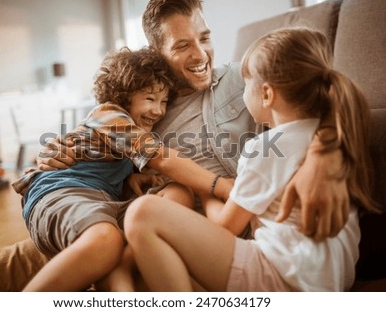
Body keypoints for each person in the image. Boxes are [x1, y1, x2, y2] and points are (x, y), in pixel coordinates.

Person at [0, 0, 348, 291]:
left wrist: (324, 157)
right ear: (157, 51)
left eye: (204, 37)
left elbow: (329, 91)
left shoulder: (247, 77)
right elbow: (106, 139)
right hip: (126, 217)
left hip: (220, 235)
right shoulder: (144, 109)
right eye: (183, 45)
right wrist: (63, 151)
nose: (201, 54)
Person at [123, 27, 381, 292]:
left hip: (282, 276)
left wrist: (205, 190)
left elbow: (225, 227)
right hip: (330, 280)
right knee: (154, 272)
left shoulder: (266, 147)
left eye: (246, 85)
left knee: (141, 213)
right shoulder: (336, 136)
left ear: (267, 95)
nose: (242, 91)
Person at [15, 46, 232, 291]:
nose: (158, 110)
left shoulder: (132, 131)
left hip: (102, 201)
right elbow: (160, 157)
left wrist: (131, 176)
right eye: (150, 99)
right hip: (64, 191)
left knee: (179, 192)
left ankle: (122, 267)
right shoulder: (109, 114)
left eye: (163, 102)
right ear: (122, 95)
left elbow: (122, 158)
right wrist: (220, 185)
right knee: (104, 241)